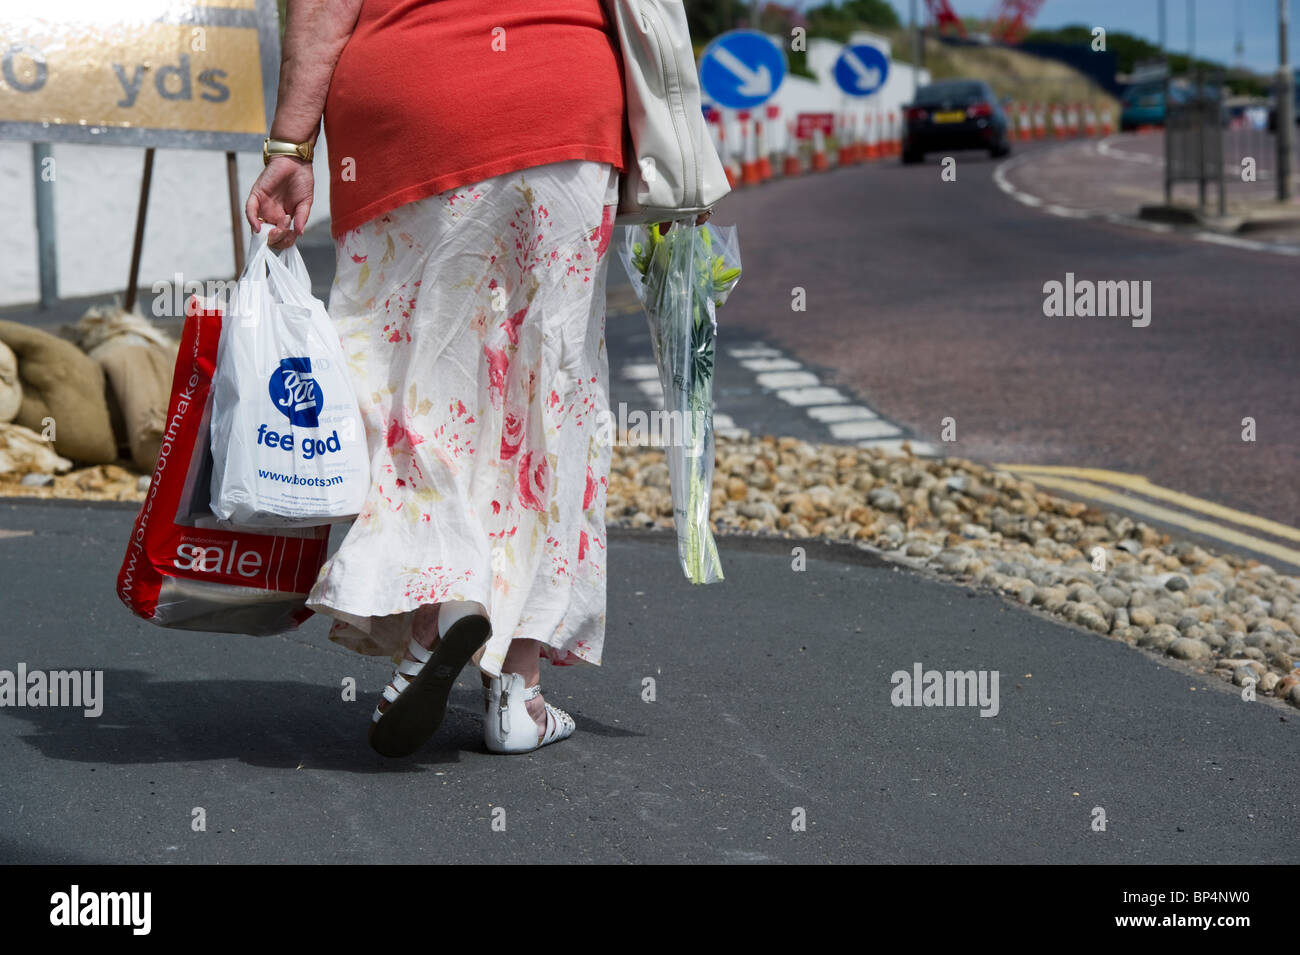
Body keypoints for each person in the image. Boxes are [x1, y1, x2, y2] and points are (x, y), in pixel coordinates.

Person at [245, 0, 709, 757]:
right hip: (562, 105)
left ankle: (436, 610)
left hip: (410, 116)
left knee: (411, 385)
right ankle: (516, 694)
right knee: (544, 397)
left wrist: (292, 143)